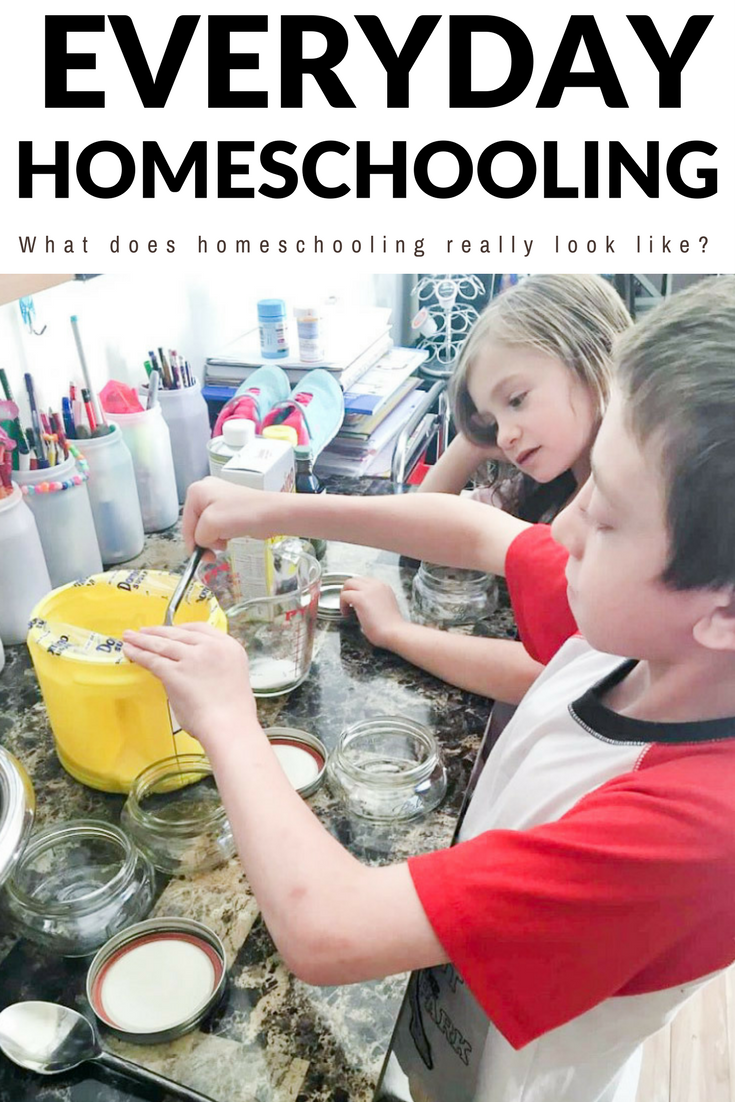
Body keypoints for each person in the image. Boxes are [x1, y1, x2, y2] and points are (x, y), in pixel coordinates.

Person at [123, 277, 735, 1102]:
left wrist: (227, 717)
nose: (564, 524)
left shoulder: (701, 829)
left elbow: (327, 928)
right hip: (456, 1019)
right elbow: (480, 530)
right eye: (589, 484)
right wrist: (268, 508)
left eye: (608, 515)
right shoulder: (649, 633)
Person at [347, 274, 631, 703]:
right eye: (492, 422)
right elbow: (423, 532)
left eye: (516, 399)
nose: (504, 437)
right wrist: (475, 436)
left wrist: (395, 632)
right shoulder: (543, 491)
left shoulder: (626, 511)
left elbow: (552, 670)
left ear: (594, 356)